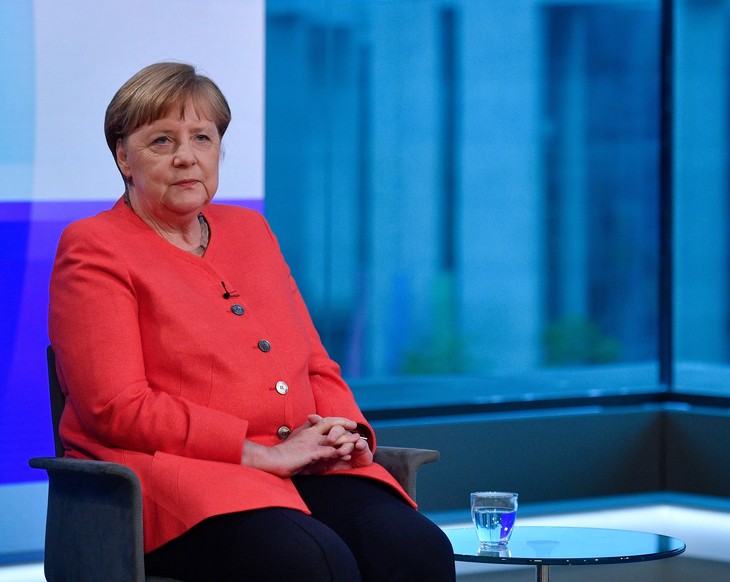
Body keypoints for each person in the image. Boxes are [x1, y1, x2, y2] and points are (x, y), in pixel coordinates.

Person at [48, 61, 456, 582]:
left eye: (202, 137)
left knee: (415, 547)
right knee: (313, 562)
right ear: (123, 156)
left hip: (300, 464)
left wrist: (342, 429)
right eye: (162, 141)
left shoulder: (249, 229)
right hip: (178, 478)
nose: (186, 157)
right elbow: (116, 408)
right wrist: (261, 454)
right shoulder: (93, 246)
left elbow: (313, 360)